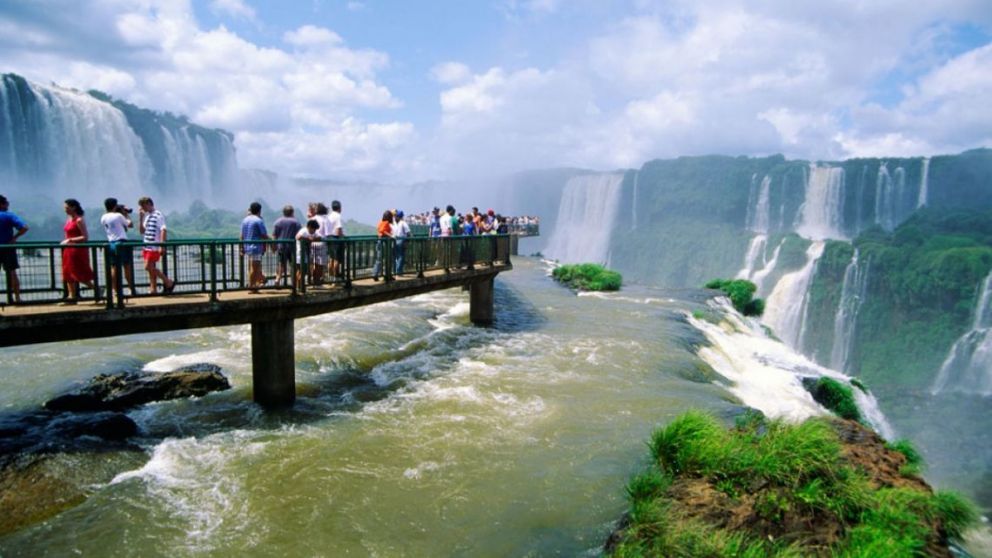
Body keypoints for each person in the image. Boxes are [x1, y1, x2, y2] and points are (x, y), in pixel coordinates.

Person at [60, 198, 97, 304]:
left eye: (67, 208)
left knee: (79, 273)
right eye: (65, 208)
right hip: (68, 250)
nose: (65, 210)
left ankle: (96, 288)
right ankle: (71, 296)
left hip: (78, 250)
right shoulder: (68, 219)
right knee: (67, 272)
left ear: (73, 207)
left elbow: (85, 237)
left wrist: (70, 240)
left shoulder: (79, 220)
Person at [100, 197, 136, 300]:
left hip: (111, 243)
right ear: (115, 205)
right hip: (122, 243)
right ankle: (131, 289)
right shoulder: (119, 215)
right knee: (127, 266)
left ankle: (114, 290)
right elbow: (130, 225)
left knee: (114, 267)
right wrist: (126, 214)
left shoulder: (103, 217)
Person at [138, 196, 175, 295]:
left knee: (148, 267)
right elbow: (142, 231)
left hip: (154, 246)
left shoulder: (158, 215)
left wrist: (161, 245)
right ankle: (153, 289)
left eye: (143, 205)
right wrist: (141, 218)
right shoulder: (147, 216)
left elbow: (163, 229)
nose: (143, 208)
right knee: (150, 269)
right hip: (146, 246)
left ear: (149, 204)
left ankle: (168, 281)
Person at [0, 194, 29, 303]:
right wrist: (14, 238)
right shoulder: (9, 216)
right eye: (6, 202)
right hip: (8, 248)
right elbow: (24, 227)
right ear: (2, 204)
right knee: (12, 273)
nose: (8, 204)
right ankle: (17, 298)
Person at [240, 202, 270, 292]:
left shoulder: (244, 220)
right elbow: (264, 234)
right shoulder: (258, 220)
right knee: (255, 268)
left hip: (247, 246)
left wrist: (241, 247)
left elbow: (242, 235)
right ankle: (252, 287)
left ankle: (253, 285)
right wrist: (272, 241)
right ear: (259, 211)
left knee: (252, 268)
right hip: (256, 247)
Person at [272, 205, 301, 286]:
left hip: (281, 246)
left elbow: (274, 235)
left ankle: (277, 279)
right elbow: (300, 234)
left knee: (281, 264)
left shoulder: (278, 222)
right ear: (292, 212)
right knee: (293, 266)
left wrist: (274, 246)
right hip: (293, 247)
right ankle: (294, 283)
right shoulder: (296, 222)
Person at [295, 218, 320, 289]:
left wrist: (313, 239)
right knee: (302, 271)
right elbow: (297, 237)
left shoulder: (311, 232)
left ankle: (298, 286)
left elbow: (319, 237)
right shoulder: (304, 231)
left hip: (304, 254)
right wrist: (308, 239)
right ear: (309, 227)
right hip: (300, 254)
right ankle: (299, 286)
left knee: (300, 271)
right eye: (314, 229)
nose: (314, 231)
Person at [372, 210, 393, 281]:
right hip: (383, 242)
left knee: (379, 259)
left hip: (379, 241)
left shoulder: (381, 222)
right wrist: (391, 236)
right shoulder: (386, 222)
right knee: (387, 259)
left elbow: (379, 229)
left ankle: (376, 274)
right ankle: (387, 275)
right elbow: (382, 231)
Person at [327, 200, 345, 280]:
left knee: (331, 258)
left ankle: (330, 277)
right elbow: (338, 230)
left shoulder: (329, 216)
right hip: (336, 239)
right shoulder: (338, 216)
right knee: (337, 259)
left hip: (329, 238)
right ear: (339, 208)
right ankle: (336, 277)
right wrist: (342, 237)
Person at [393, 209, 411, 275]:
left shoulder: (402, 223)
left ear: (399, 216)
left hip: (400, 240)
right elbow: (409, 233)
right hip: (396, 240)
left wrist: (406, 242)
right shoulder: (400, 223)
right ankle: (398, 271)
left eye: (396, 216)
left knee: (399, 256)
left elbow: (408, 233)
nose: (395, 217)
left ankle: (397, 271)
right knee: (400, 256)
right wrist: (407, 242)